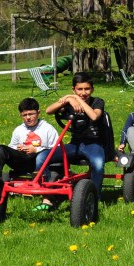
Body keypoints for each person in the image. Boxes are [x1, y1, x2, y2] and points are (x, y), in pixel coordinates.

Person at [44, 72, 106, 202]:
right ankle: (50, 193)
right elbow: (49, 110)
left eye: (87, 89)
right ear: (74, 89)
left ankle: (94, 196)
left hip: (94, 144)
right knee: (41, 158)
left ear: (92, 89)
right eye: (79, 89)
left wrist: (76, 99)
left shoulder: (97, 102)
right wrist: (68, 100)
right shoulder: (70, 104)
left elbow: (94, 116)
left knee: (98, 164)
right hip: (75, 145)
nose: (83, 93)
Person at [0, 97, 60, 179]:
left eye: (31, 114)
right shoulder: (19, 130)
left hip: (40, 161)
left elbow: (56, 150)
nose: (28, 118)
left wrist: (36, 150)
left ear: (38, 113)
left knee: (41, 156)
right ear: (20, 115)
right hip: (22, 161)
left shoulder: (48, 129)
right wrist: (17, 148)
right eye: (24, 115)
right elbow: (12, 146)